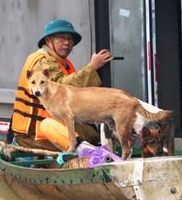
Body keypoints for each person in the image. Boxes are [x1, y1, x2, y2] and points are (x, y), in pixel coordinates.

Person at [10, 19, 112, 152]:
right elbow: (62, 88)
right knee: (81, 140)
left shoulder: (64, 63)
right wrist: (92, 67)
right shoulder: (42, 61)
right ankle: (89, 153)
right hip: (34, 134)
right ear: (48, 41)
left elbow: (79, 94)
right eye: (61, 38)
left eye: (70, 39)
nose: (67, 43)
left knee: (92, 133)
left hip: (58, 123)